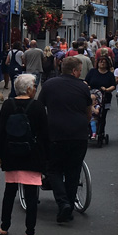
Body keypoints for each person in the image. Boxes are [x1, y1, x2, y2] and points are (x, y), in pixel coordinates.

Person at [0, 73, 49, 235]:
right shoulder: (38, 107)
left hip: (10, 153)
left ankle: (4, 226)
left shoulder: (7, 105)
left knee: (9, 192)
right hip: (32, 155)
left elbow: (1, 132)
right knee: (32, 195)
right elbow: (44, 135)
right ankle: (30, 231)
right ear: (28, 89)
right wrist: (45, 157)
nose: (35, 88)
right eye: (34, 86)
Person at [39, 56, 92, 223]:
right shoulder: (83, 87)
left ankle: (63, 203)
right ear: (75, 71)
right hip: (79, 134)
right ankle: (68, 204)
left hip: (56, 133)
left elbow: (40, 108)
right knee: (73, 170)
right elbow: (88, 111)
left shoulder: (49, 85)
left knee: (54, 169)